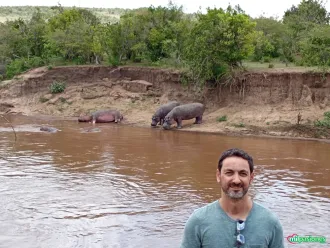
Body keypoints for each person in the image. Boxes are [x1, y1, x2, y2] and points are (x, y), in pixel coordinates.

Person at [180, 148, 285, 248]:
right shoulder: (198, 221)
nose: (236, 180)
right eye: (229, 173)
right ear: (218, 176)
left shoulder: (271, 223)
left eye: (243, 174)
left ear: (251, 178)